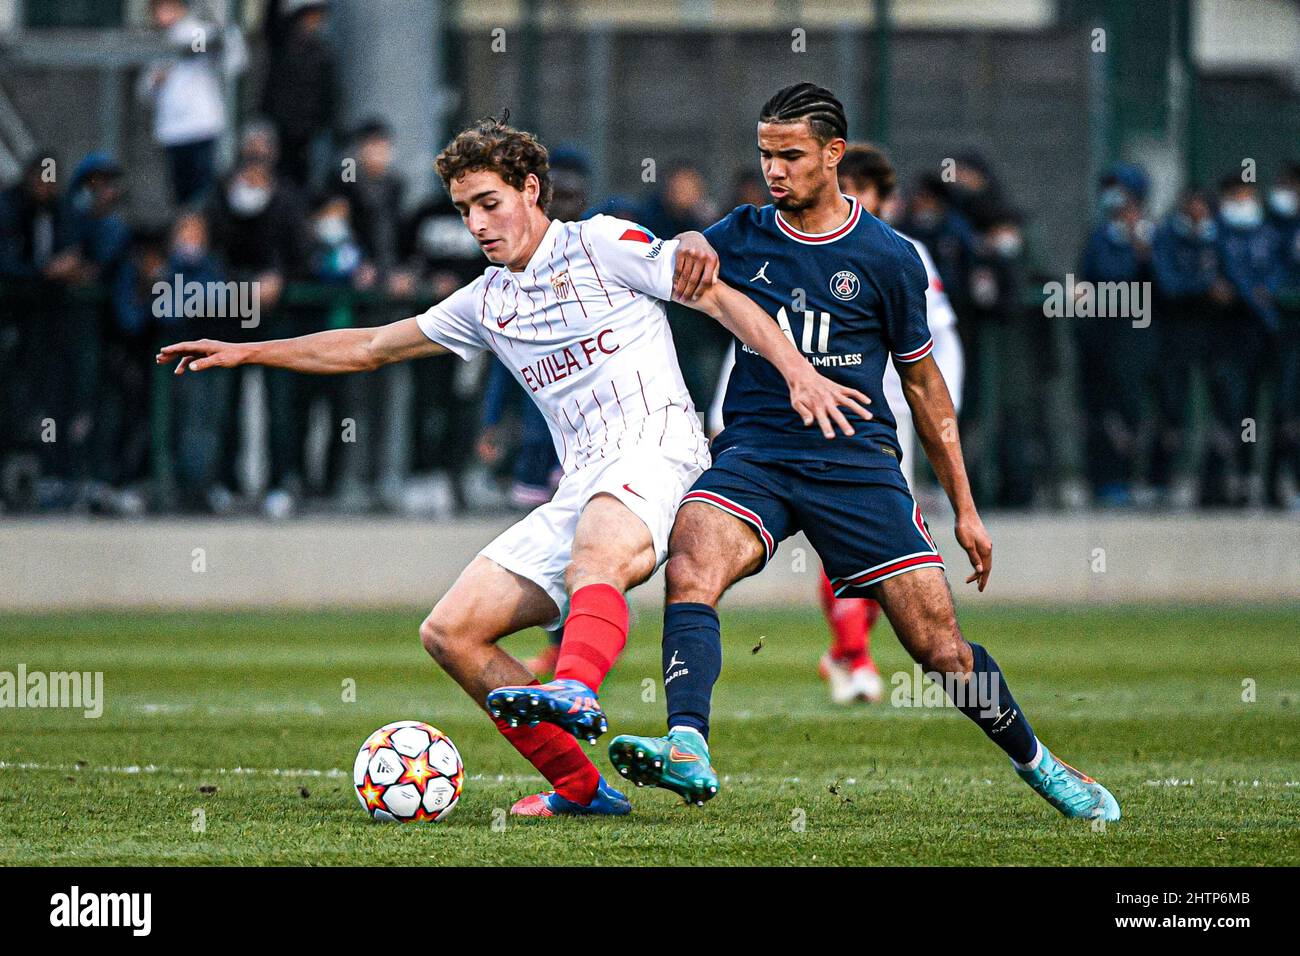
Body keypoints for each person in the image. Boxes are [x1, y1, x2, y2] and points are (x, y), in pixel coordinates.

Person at [158, 117, 861, 819]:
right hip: (582, 482)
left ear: (531, 190)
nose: (478, 224)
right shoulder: (486, 301)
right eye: (465, 210)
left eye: (489, 203)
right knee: (451, 631)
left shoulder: (604, 243)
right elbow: (370, 345)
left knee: (598, 550)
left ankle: (577, 685)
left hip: (659, 452)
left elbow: (719, 298)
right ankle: (581, 789)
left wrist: (798, 373)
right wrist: (249, 350)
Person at [592, 83, 1118, 823]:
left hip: (857, 465)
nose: (773, 170)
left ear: (834, 155)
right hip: (758, 452)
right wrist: (691, 242)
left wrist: (965, 508)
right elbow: (672, 258)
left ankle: (1043, 765)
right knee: (692, 562)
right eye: (765, 155)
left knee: (940, 650)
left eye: (791, 155)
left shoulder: (889, 257)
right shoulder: (739, 234)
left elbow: (926, 388)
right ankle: (687, 743)